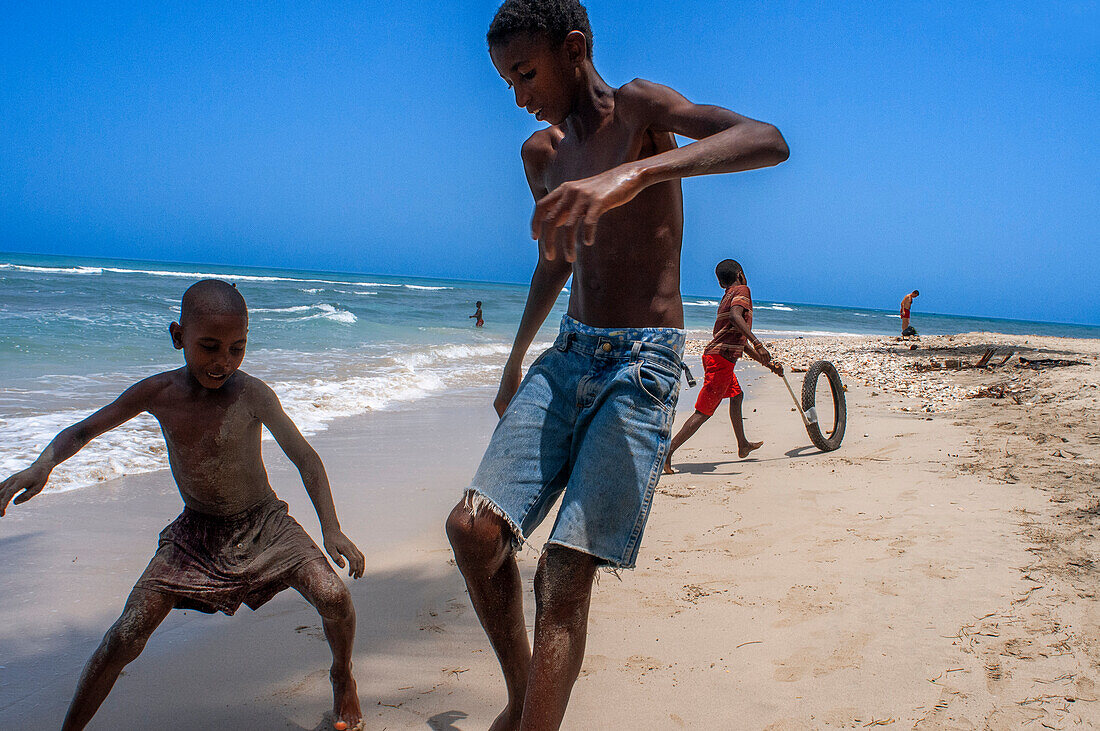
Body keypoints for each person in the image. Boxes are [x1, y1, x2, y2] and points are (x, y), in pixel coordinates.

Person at [444, 2, 788, 728]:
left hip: (643, 365)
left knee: (564, 571)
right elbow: (555, 261)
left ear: (574, 49)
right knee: (473, 530)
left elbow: (768, 140)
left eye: (526, 73)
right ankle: (520, 696)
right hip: (569, 353)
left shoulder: (639, 109)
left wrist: (633, 176)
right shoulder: (542, 155)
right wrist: (513, 362)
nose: (518, 96)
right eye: (506, 80)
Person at [0, 280, 365, 731]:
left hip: (265, 525)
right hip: (196, 535)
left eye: (237, 348)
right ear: (178, 337)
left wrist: (331, 528)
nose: (223, 362)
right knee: (125, 636)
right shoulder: (158, 392)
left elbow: (305, 458)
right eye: (209, 347)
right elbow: (82, 431)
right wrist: (44, 464)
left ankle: (342, 674)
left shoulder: (252, 393)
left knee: (335, 598)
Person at [664, 259, 783, 474]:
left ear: (721, 284)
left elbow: (740, 341)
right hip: (720, 361)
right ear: (741, 273)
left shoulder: (727, 296)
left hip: (720, 359)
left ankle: (742, 444)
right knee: (704, 412)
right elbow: (738, 318)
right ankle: (668, 452)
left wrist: (768, 364)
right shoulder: (742, 290)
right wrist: (759, 343)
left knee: (736, 396)